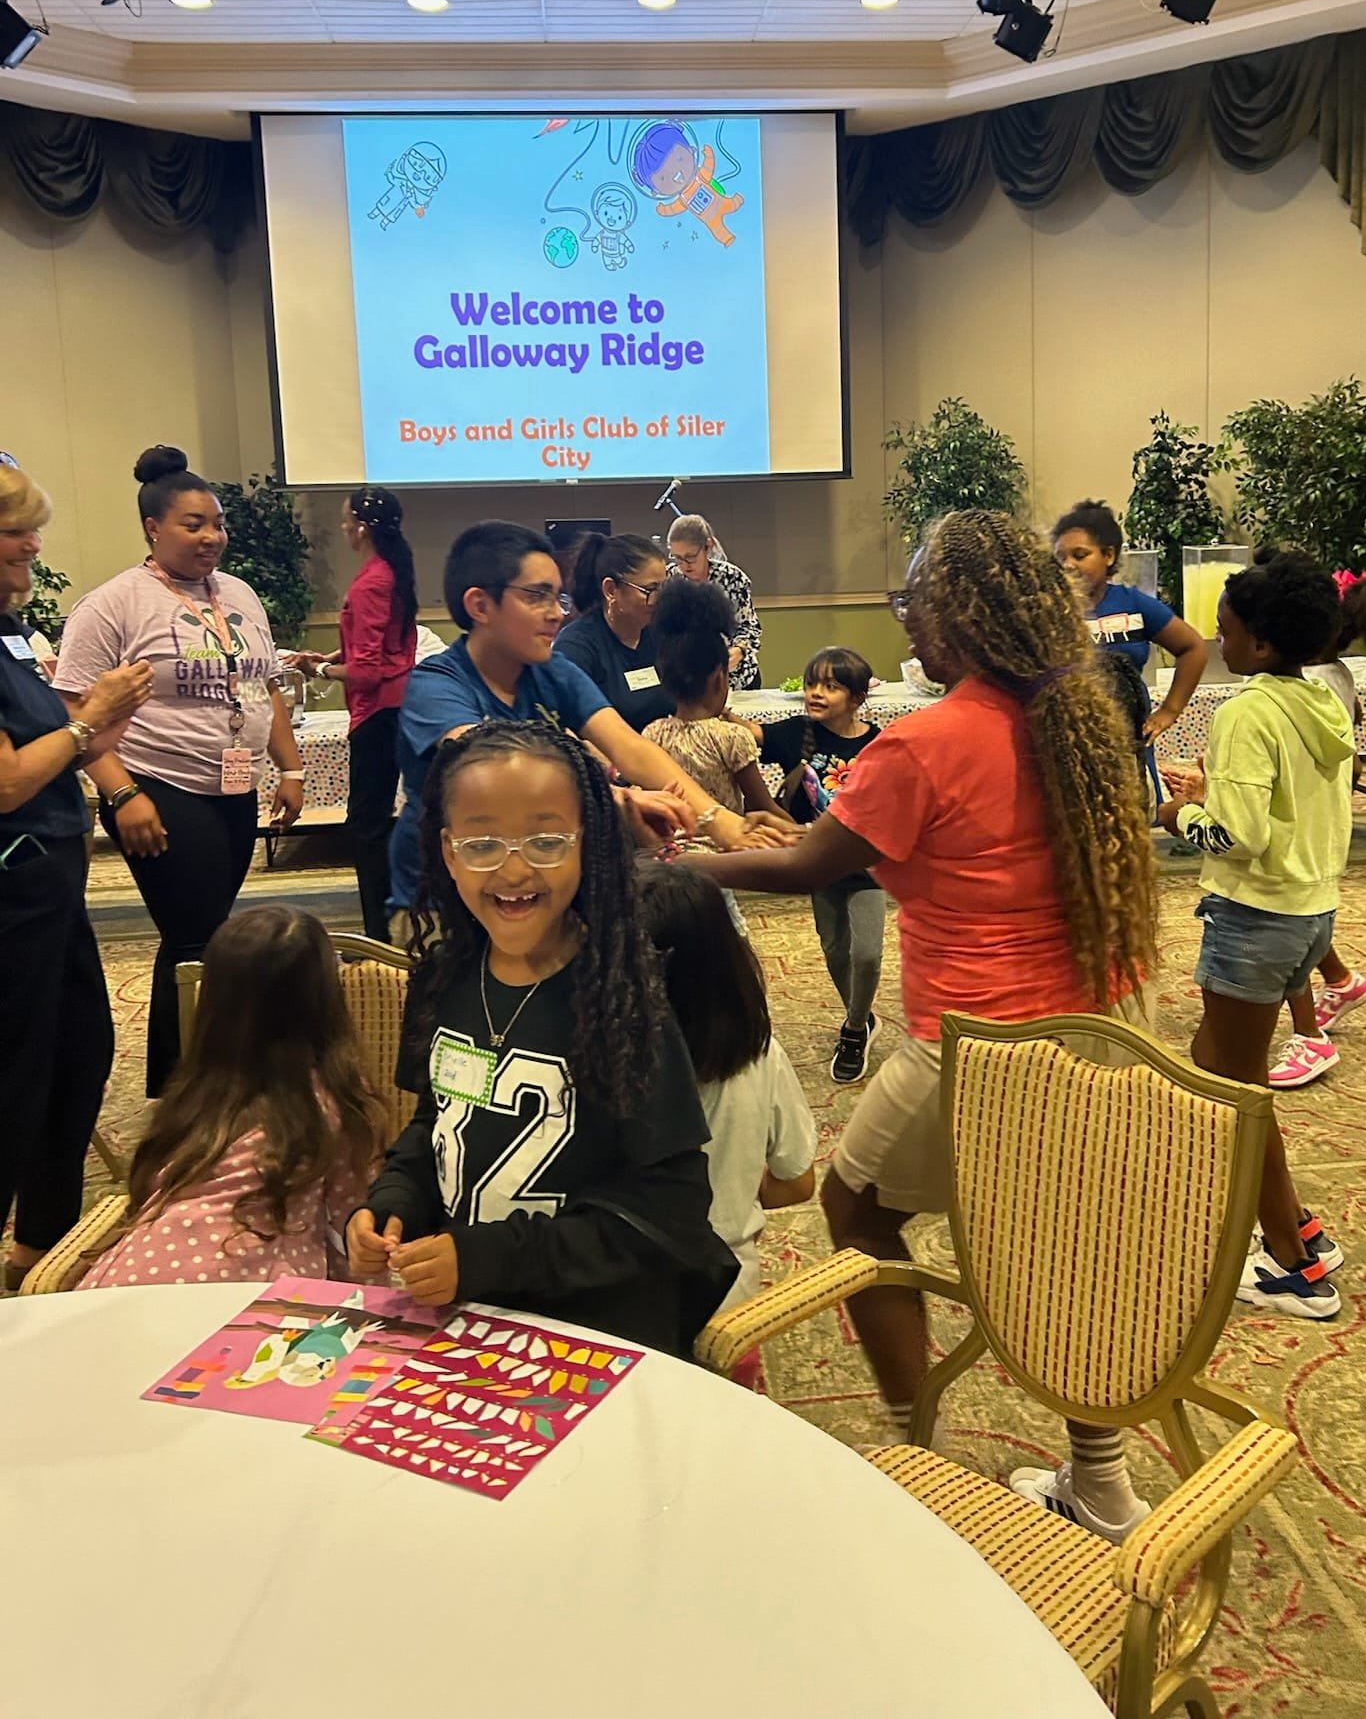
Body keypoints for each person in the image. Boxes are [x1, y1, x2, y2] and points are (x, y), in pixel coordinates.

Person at [696, 509, 1160, 1542]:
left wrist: (684, 867)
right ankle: (1103, 1482)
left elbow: (808, 866)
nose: (905, 612)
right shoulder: (1076, 710)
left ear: (961, 612)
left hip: (986, 1040)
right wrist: (786, 835)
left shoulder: (926, 739)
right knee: (1065, 1245)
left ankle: (920, 1448)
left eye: (915, 595)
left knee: (856, 1209)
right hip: (1109, 1022)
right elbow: (859, 840)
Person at [348, 721, 738, 1352]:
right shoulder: (444, 979)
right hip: (462, 1317)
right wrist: (395, 1198)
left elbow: (669, 1208)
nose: (513, 868)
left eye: (547, 841)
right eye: (482, 845)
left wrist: (495, 1257)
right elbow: (436, 1123)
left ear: (588, 844)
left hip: (583, 1334)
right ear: (448, 852)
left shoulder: (623, 1003)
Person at [52, 447, 306, 1096]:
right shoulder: (113, 603)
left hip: (233, 787)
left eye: (217, 524)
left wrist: (291, 769)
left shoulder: (239, 594)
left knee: (201, 934)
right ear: (153, 528)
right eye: (194, 525)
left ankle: (180, 1078)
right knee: (197, 938)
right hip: (155, 784)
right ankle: (200, 1087)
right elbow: (75, 708)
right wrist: (122, 792)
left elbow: (265, 686)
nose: (211, 536)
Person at [385, 523, 784, 937]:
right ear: (480, 605)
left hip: (536, 893)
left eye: (557, 597)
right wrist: (618, 796)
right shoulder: (437, 685)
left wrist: (720, 822)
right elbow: (498, 772)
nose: (557, 612)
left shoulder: (551, 671)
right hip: (444, 907)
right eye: (536, 596)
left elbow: (629, 747)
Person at [1157, 551, 1352, 1322]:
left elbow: (1237, 837)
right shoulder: (1321, 702)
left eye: (1228, 630)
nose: (1217, 641)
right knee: (1211, 1065)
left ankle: (1293, 1263)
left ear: (1262, 644)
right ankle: (1296, 1223)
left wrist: (1181, 815)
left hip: (1255, 916)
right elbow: (1286, 808)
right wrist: (1218, 792)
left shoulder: (1244, 712)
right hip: (1309, 911)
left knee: (1241, 1095)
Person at [0, 466, 151, 1290]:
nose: (33, 546)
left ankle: (40, 1247)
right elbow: (6, 782)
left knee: (79, 1055)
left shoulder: (9, 633)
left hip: (50, 890)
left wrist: (102, 722)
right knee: (15, 1078)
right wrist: (89, 719)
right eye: (14, 532)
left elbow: (54, 745)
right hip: (12, 895)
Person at [79, 906, 386, 1289]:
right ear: (325, 994)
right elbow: (355, 1233)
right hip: (244, 1300)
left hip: (123, 1280)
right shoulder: (334, 1097)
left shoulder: (196, 1088)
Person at [636, 861, 816, 1313]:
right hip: (726, 1289)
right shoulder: (759, 1055)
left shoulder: (594, 1059)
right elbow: (797, 1184)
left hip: (618, 1287)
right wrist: (734, 1187)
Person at [1268, 569, 1366, 1086]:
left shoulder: (1306, 684)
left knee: (1285, 922)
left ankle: (1309, 1035)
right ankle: (1339, 980)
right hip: (1316, 810)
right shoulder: (1334, 674)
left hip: (1302, 813)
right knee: (1303, 913)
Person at [757, 648, 886, 1085]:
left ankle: (854, 1029)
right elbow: (741, 731)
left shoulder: (878, 743)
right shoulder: (796, 732)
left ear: (857, 697)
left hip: (867, 866)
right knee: (834, 949)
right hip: (821, 865)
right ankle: (860, 1016)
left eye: (830, 686)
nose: (816, 693)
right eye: (812, 683)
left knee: (867, 955)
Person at [294, 487, 417, 942]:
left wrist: (320, 670)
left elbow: (366, 672)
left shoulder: (370, 583)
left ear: (362, 528)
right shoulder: (391, 572)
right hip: (398, 706)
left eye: (347, 519)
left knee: (366, 827)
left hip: (378, 713)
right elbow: (379, 650)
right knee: (379, 821)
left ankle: (378, 935)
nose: (343, 526)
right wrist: (330, 657)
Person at [1052, 499, 1207, 751]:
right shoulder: (1047, 610)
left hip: (1128, 740)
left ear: (1108, 555)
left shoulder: (1133, 603)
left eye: (1080, 555)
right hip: (1068, 740)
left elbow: (1193, 647)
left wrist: (1169, 710)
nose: (1068, 565)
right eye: (1060, 558)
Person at [641, 580, 786, 821]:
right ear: (720, 677)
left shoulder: (652, 735)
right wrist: (803, 831)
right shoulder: (732, 737)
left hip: (672, 842)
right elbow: (763, 807)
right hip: (725, 841)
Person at [552, 531, 672, 732]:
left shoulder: (663, 633)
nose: (658, 599)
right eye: (649, 590)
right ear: (610, 590)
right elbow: (570, 733)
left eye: (664, 588)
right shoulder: (576, 648)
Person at [666, 513, 762, 691]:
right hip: (690, 680)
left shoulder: (732, 578)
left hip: (736, 679)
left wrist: (739, 650)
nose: (684, 565)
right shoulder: (669, 579)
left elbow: (750, 627)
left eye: (690, 557)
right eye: (677, 558)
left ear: (708, 546)